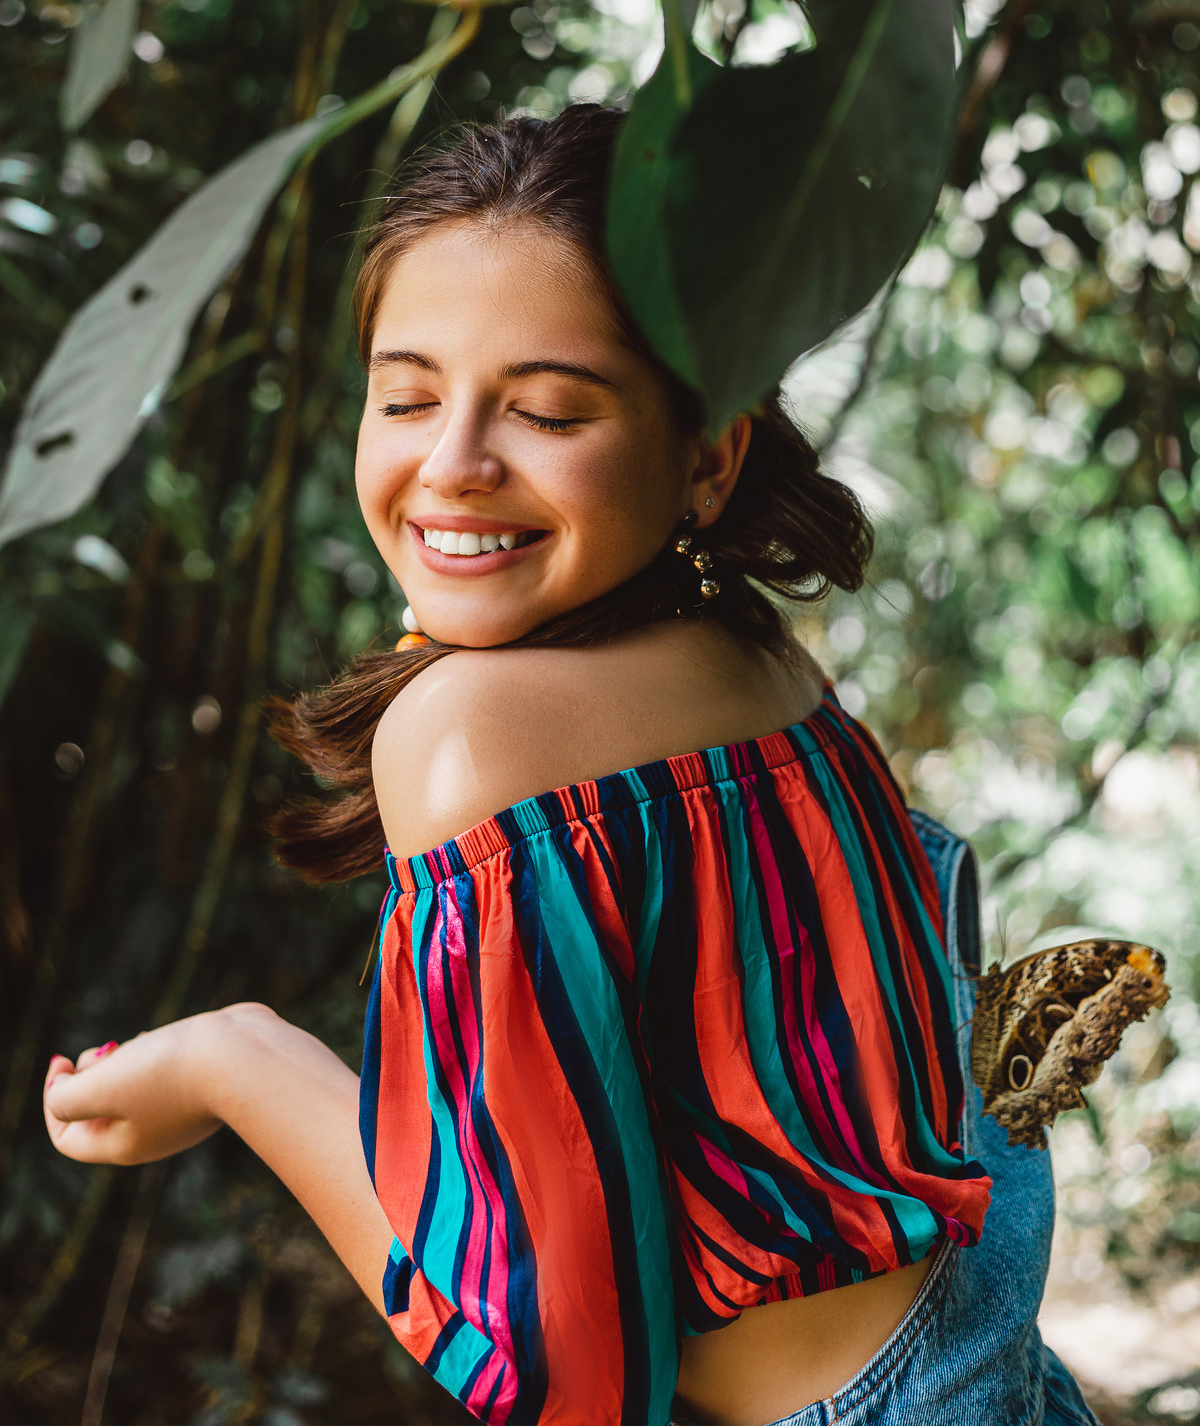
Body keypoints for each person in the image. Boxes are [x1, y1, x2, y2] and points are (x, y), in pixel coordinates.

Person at [44, 106, 1097, 1426]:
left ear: (707, 457)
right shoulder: (741, 646)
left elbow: (560, 1373)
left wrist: (239, 1065)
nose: (453, 464)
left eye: (545, 409)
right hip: (966, 1332)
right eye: (409, 396)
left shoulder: (471, 737)